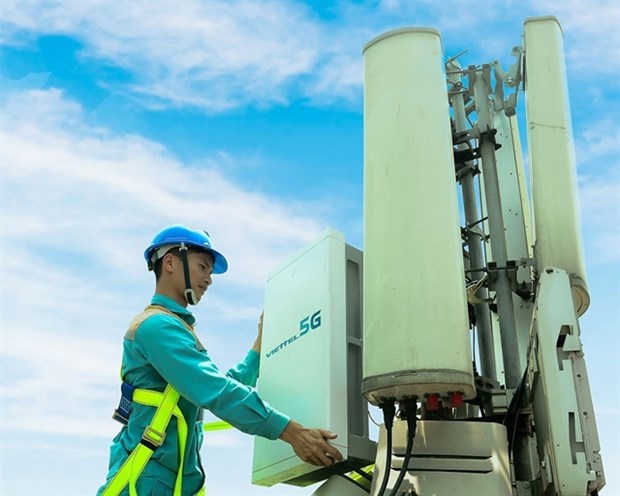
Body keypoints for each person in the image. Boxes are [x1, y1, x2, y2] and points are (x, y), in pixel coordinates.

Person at [97, 225, 343, 496]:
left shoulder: (175, 329)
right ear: (170, 262)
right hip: (145, 482)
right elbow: (215, 390)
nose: (209, 279)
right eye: (203, 266)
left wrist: (259, 346)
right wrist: (292, 432)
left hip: (173, 483)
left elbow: (220, 385)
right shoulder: (156, 327)